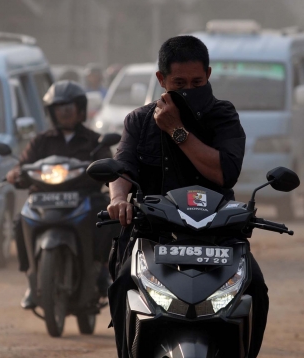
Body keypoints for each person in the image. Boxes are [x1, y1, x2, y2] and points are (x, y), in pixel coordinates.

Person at [107, 36, 267, 358]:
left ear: (208, 75)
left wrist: (177, 130)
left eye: (197, 81)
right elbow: (121, 170)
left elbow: (225, 172)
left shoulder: (223, 115)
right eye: (180, 82)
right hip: (154, 235)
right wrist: (119, 199)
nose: (190, 89)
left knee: (257, 289)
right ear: (161, 79)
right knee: (121, 283)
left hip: (217, 237)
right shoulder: (138, 121)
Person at [6, 80, 113, 309]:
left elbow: (108, 162)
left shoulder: (94, 140)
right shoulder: (40, 141)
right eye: (59, 108)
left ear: (80, 109)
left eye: (69, 107)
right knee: (19, 222)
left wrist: (108, 169)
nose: (64, 113)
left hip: (85, 198)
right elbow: (23, 165)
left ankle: (102, 269)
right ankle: (31, 278)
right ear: (52, 112)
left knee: (108, 219)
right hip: (43, 200)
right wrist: (15, 173)